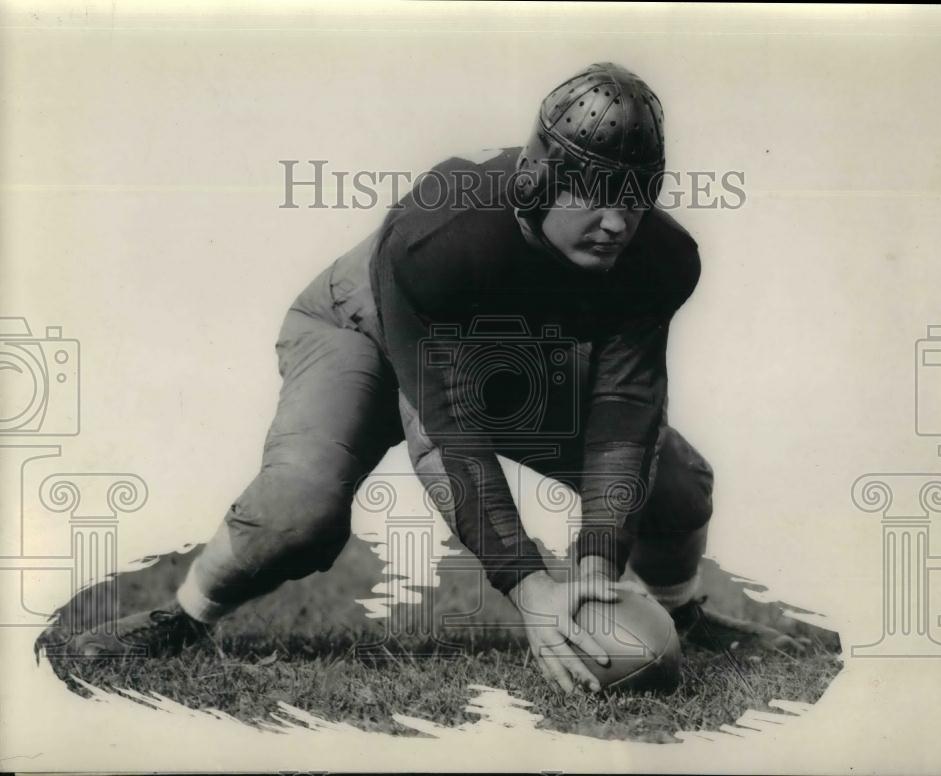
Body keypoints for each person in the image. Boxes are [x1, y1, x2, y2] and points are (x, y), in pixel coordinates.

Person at [37, 62, 804, 694]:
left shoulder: (660, 258)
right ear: (539, 181)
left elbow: (625, 406)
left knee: (677, 483)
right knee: (297, 513)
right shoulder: (442, 235)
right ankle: (185, 614)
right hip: (365, 329)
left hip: (514, 362)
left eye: (636, 198)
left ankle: (687, 615)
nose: (619, 222)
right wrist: (531, 586)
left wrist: (598, 562)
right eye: (599, 195)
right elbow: (445, 427)